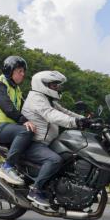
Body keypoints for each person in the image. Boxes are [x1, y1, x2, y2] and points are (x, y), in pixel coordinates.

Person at [20, 71, 89, 208]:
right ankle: (35, 190)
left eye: (57, 85)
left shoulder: (48, 99)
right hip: (34, 143)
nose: (57, 88)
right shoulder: (36, 98)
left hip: (46, 143)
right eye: (54, 85)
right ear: (43, 85)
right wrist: (76, 122)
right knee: (54, 160)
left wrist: (86, 120)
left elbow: (64, 112)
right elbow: (51, 115)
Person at [0, 55, 35, 186]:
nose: (23, 74)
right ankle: (7, 167)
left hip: (8, 129)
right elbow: (7, 107)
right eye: (20, 71)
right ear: (10, 70)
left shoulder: (16, 89)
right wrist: (23, 120)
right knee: (25, 131)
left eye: (24, 71)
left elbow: (26, 108)